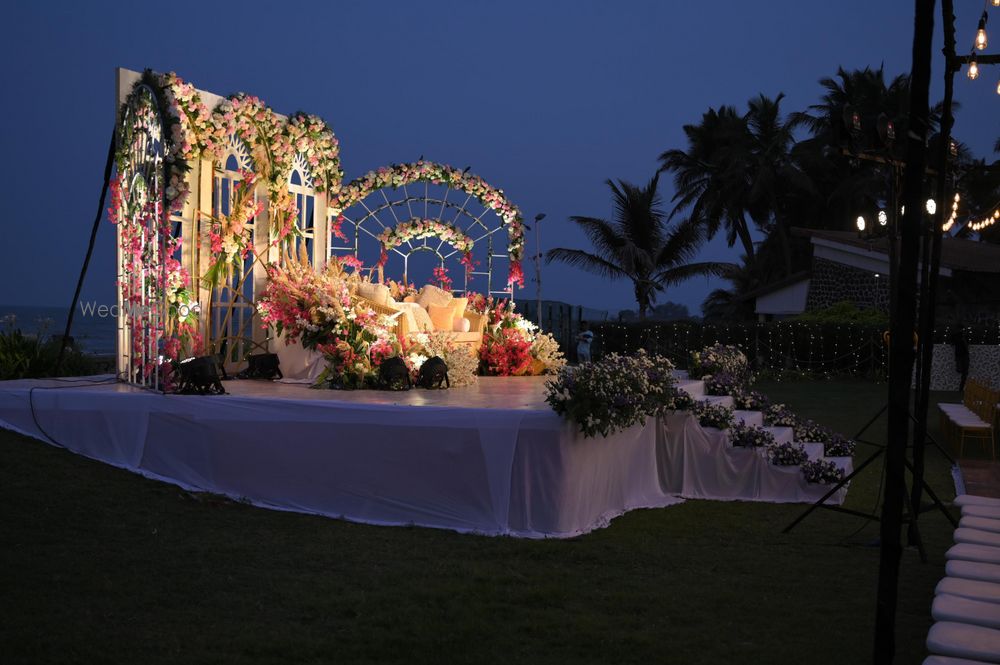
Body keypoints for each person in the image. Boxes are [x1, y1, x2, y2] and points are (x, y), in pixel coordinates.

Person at [953, 326, 970, 393]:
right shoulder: (958, 336)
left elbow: (966, 345)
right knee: (962, 371)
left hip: (962, 355)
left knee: (964, 372)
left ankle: (961, 388)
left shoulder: (962, 337)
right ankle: (961, 388)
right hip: (961, 355)